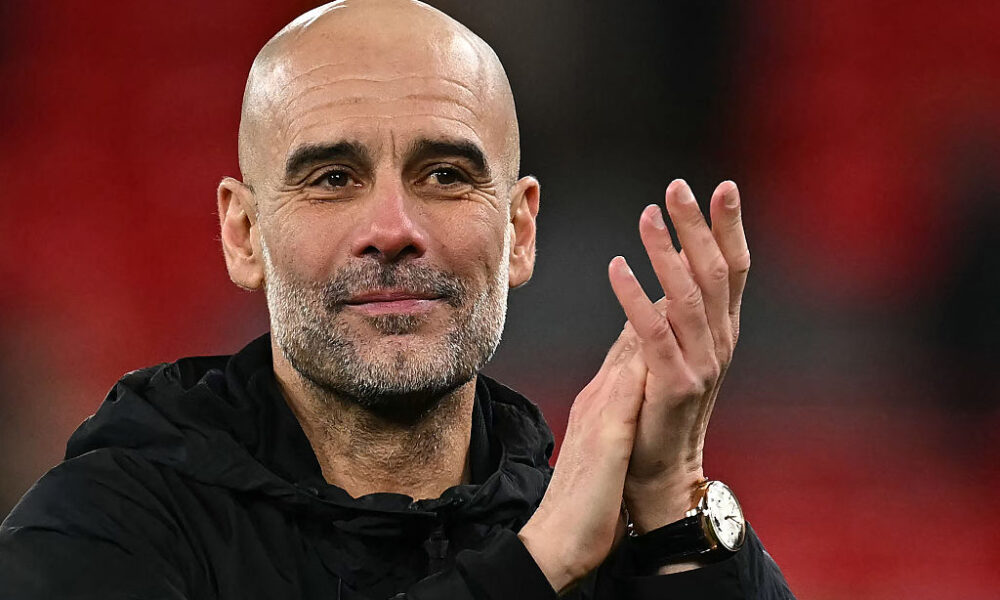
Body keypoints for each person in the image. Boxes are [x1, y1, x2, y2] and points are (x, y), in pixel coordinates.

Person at [0, 1, 795, 598]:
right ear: (244, 235)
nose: (392, 229)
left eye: (445, 175)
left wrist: (672, 499)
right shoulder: (102, 530)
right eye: (333, 179)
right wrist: (532, 568)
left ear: (519, 231)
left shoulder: (610, 540)